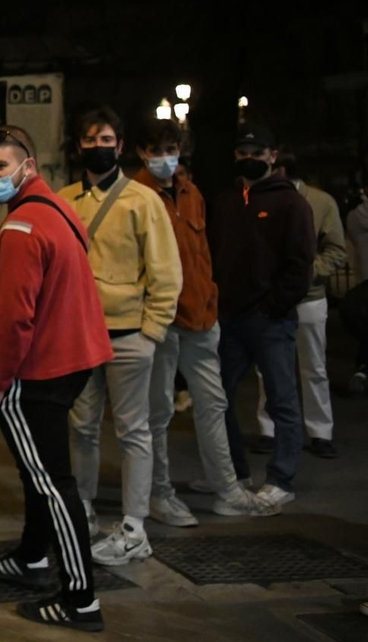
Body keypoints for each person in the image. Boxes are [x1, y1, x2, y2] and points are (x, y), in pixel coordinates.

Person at [0, 125, 113, 632]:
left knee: (53, 483)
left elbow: (14, 317)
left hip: (39, 371)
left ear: (27, 166)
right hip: (75, 360)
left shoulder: (20, 229)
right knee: (39, 468)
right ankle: (33, 555)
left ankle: (81, 601)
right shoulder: (57, 209)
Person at [58, 108, 182, 566]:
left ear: (122, 145)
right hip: (79, 336)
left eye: (106, 138)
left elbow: (167, 273)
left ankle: (134, 527)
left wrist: (151, 332)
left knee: (134, 430)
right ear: (78, 147)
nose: (98, 146)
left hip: (129, 335)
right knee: (82, 426)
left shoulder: (143, 201)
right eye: (90, 139)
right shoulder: (64, 200)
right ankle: (83, 510)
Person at [133, 120, 274, 521]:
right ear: (142, 151)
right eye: (158, 149)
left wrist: (210, 297)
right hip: (160, 320)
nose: (166, 157)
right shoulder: (136, 196)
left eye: (171, 148)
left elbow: (201, 253)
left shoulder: (191, 194)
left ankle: (227, 488)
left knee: (213, 403)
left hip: (199, 316)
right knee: (158, 411)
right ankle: (159, 493)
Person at [209, 125, 316, 511]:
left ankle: (281, 479)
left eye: (257, 152)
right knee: (217, 397)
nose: (249, 158)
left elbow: (300, 264)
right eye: (242, 152)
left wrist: (273, 306)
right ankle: (234, 473)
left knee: (282, 400)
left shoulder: (291, 204)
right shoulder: (226, 202)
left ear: (273, 156)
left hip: (270, 320)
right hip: (231, 318)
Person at [252, 153, 348, 458]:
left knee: (313, 366)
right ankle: (268, 428)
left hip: (308, 296)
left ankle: (320, 430)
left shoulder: (320, 202)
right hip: (273, 295)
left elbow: (336, 248)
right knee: (268, 367)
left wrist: (308, 271)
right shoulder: (258, 198)